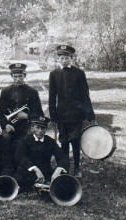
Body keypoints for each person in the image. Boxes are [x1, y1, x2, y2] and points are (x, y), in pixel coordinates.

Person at [49, 45, 96, 178]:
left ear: (71, 58)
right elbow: (52, 96)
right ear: (58, 59)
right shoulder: (54, 74)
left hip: (76, 114)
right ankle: (64, 168)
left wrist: (89, 113)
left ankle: (76, 167)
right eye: (61, 58)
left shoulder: (79, 73)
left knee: (75, 141)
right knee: (63, 142)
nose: (64, 60)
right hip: (61, 115)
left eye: (67, 57)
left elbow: (85, 95)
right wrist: (53, 115)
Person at [0, 63, 44, 157]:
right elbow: (0, 114)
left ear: (24, 76)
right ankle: (8, 166)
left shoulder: (32, 92)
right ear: (11, 76)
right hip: (11, 125)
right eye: (15, 76)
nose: (18, 79)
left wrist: (26, 116)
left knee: (29, 138)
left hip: (27, 125)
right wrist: (5, 125)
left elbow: (39, 114)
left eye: (20, 76)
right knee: (5, 138)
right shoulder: (5, 92)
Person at [14, 115, 69, 191]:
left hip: (45, 173)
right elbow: (20, 157)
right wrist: (35, 169)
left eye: (42, 128)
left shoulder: (50, 141)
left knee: (64, 180)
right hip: (27, 173)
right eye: (37, 127)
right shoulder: (25, 140)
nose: (40, 131)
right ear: (32, 128)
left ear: (46, 129)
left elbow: (62, 157)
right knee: (20, 179)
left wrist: (58, 169)